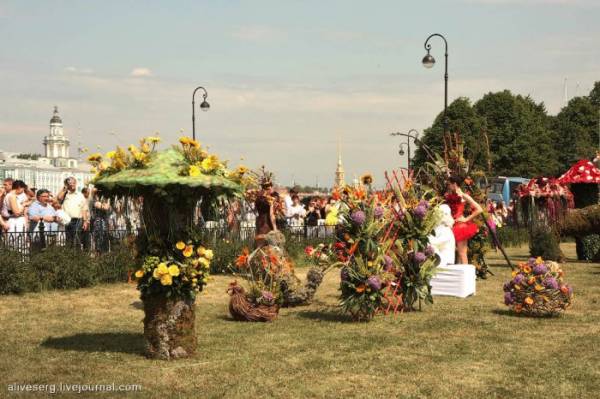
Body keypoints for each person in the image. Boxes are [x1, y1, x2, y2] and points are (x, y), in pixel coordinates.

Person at [445, 176, 483, 264]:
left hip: (459, 226)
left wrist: (466, 219)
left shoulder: (463, 195)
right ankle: (459, 276)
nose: (448, 186)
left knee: (462, 253)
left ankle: (466, 276)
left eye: (449, 184)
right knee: (459, 253)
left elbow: (479, 209)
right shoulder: (449, 195)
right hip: (452, 226)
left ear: (454, 184)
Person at [57, 177, 89, 247]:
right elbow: (58, 198)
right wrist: (64, 189)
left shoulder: (80, 195)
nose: (72, 185)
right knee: (68, 240)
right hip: (67, 220)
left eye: (73, 183)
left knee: (77, 239)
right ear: (67, 185)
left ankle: (77, 255)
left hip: (78, 220)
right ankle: (70, 255)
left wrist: (85, 221)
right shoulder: (65, 194)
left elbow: (84, 209)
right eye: (70, 183)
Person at [254, 180, 277, 247]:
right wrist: (275, 228)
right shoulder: (270, 200)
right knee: (268, 245)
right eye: (270, 188)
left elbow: (256, 210)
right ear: (268, 189)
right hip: (267, 223)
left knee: (259, 245)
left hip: (259, 222)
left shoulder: (257, 199)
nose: (271, 190)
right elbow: (271, 214)